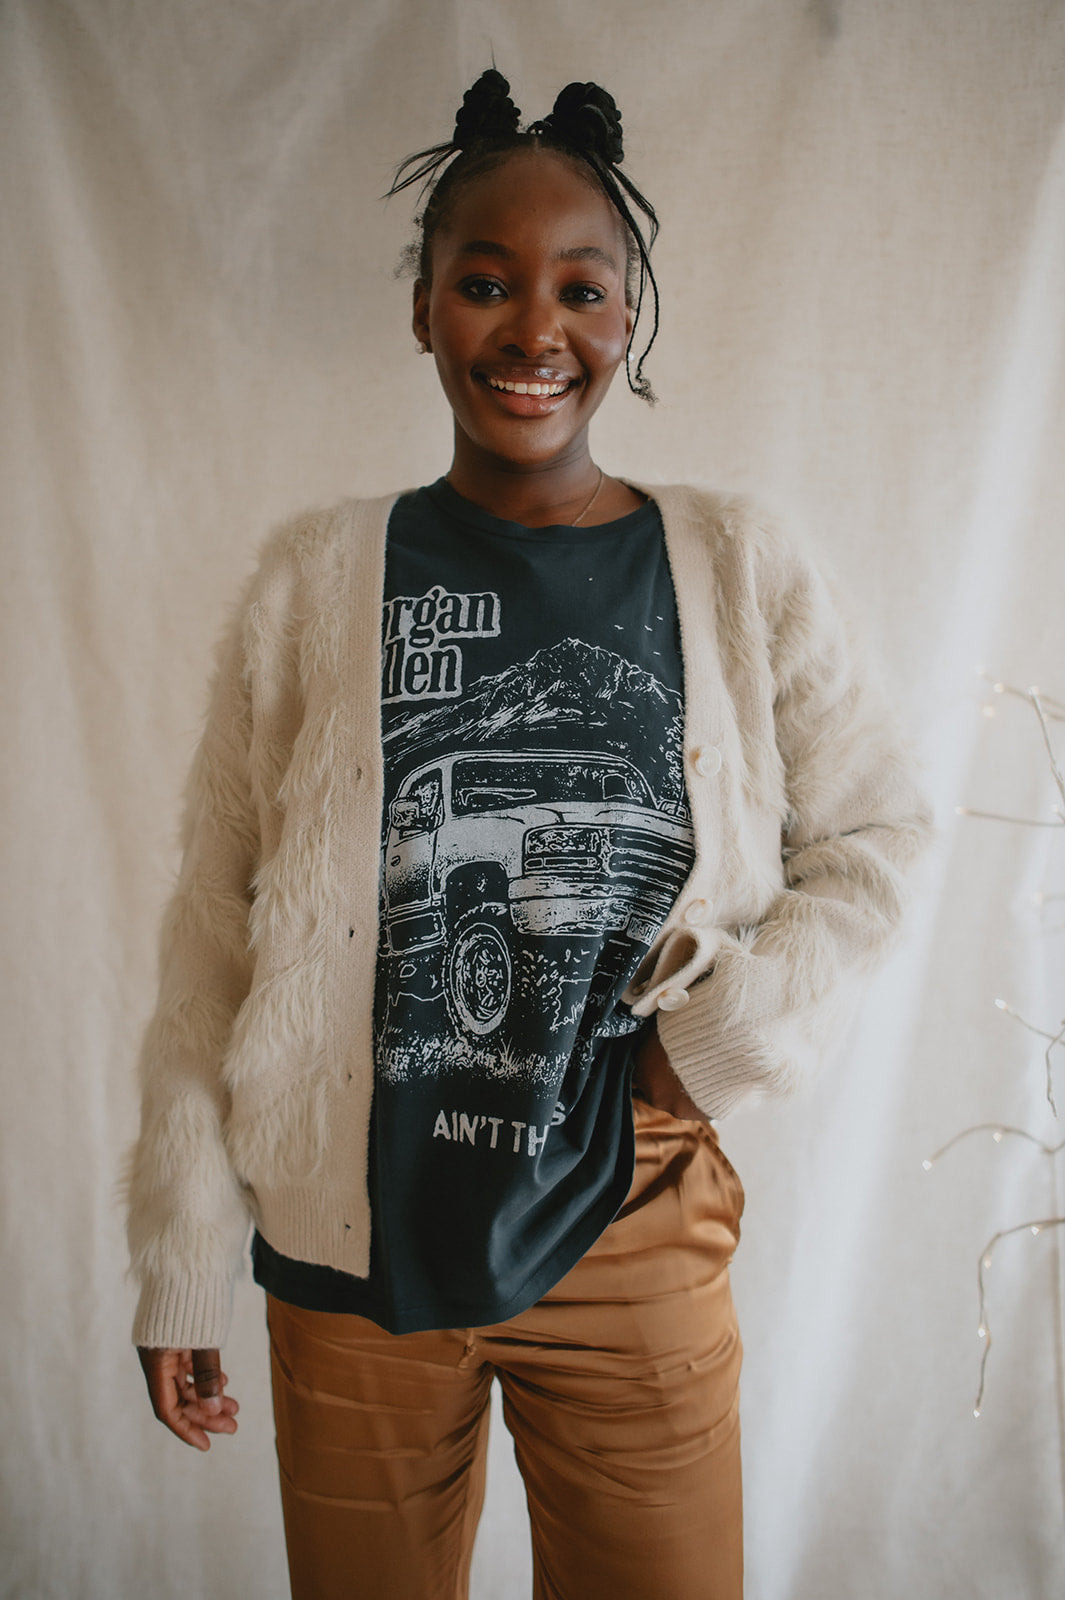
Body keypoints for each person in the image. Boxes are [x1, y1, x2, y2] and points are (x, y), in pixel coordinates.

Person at [129, 70, 931, 1600]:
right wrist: (181, 1250)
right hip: (350, 1241)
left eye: (582, 288)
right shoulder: (312, 579)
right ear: (422, 308)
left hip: (632, 1221)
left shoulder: (737, 562)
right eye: (485, 282)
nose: (533, 329)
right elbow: (215, 924)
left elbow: (874, 837)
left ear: (628, 317)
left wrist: (710, 1046)